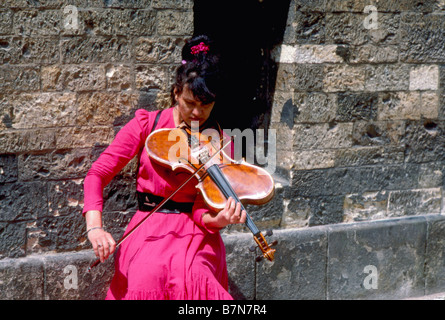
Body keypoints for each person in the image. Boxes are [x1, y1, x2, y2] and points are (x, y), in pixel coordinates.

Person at [82, 35, 247, 300]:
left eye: (206, 105)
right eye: (190, 103)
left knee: (193, 276)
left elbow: (203, 212)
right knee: (147, 275)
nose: (196, 114)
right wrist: (95, 228)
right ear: (176, 92)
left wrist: (221, 220)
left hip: (197, 234)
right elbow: (97, 174)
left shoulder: (220, 143)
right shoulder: (146, 125)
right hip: (148, 227)